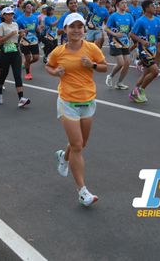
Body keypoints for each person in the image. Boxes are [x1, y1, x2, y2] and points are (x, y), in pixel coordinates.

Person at [46, 12, 107, 207]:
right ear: (65, 29)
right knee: (78, 145)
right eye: (72, 26)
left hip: (88, 101)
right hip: (67, 102)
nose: (76, 30)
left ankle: (63, 157)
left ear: (84, 29)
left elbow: (104, 67)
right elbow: (49, 66)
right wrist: (56, 72)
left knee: (81, 143)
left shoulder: (91, 48)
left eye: (80, 26)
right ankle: (82, 191)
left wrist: (93, 65)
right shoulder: (58, 52)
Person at [0, 6, 30, 108]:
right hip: (4, 53)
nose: (10, 16)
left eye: (11, 14)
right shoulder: (1, 26)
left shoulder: (15, 24)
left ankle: (21, 99)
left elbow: (16, 39)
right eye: (8, 14)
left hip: (15, 52)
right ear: (3, 16)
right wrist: (10, 34)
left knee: (17, 75)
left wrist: (21, 35)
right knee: (3, 74)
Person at [129, 0, 160, 103]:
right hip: (144, 52)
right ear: (146, 8)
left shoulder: (157, 20)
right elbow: (132, 34)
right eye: (152, 6)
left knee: (145, 74)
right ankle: (140, 90)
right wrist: (142, 41)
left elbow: (157, 34)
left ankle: (134, 92)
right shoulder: (140, 21)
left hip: (153, 50)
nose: (155, 7)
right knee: (155, 72)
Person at [103, 0, 134, 90]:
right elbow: (106, 28)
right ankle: (110, 76)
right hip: (115, 42)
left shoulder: (129, 16)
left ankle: (119, 83)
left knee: (127, 63)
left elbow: (132, 28)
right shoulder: (113, 16)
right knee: (121, 63)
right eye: (122, 3)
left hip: (125, 42)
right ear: (117, 5)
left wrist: (130, 35)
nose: (125, 5)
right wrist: (115, 34)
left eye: (125, 3)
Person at [17, 2, 41, 80]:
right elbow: (17, 30)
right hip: (24, 41)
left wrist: (39, 29)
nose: (30, 8)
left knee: (36, 58)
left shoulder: (35, 18)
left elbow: (36, 28)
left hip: (34, 40)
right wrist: (22, 31)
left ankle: (27, 63)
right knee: (27, 58)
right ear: (24, 8)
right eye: (28, 6)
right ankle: (28, 73)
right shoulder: (20, 19)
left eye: (31, 6)